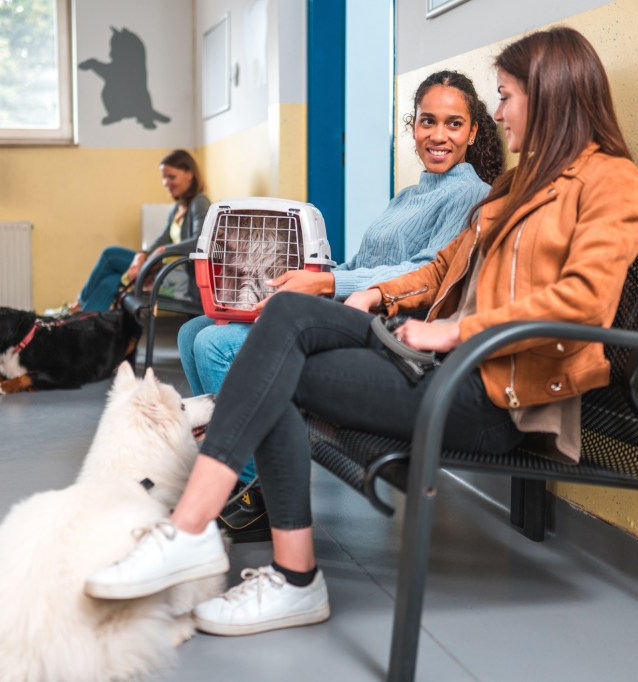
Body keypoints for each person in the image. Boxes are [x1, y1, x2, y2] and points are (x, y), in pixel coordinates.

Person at [84, 27, 638, 636]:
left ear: (549, 96)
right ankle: (256, 556)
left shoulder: (610, 180)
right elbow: (440, 268)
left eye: (507, 96)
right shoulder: (519, 185)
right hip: (435, 366)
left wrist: (459, 334)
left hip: (492, 391)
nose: (501, 113)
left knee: (278, 365)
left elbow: (586, 303)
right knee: (286, 317)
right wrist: (378, 293)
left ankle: (209, 537)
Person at [180, 70, 503, 542]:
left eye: (454, 125)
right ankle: (236, 469)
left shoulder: (470, 194)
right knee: (193, 332)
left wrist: (326, 283)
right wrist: (308, 275)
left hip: (387, 326)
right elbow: (364, 263)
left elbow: (421, 276)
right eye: (428, 122)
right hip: (352, 308)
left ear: (473, 132)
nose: (438, 136)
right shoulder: (411, 195)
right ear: (412, 126)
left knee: (216, 345)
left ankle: (260, 490)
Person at [47, 149, 210, 316]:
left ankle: (78, 307)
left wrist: (164, 251)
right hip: (166, 270)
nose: (165, 182)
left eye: (171, 177)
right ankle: (84, 323)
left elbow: (201, 242)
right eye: (164, 177)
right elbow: (163, 238)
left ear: (189, 174)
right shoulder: (179, 207)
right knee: (110, 282)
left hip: (179, 279)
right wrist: (143, 254)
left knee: (111, 255)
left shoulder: (199, 202)